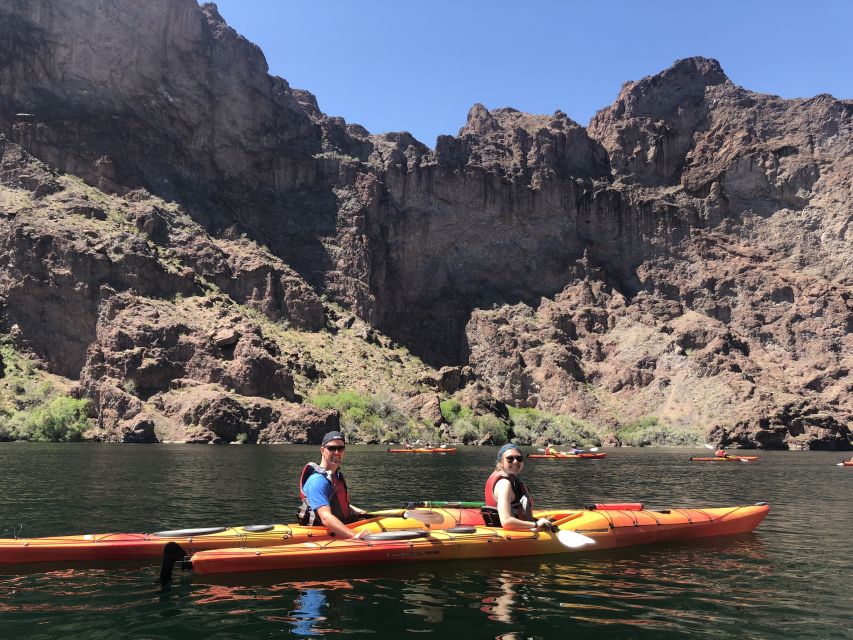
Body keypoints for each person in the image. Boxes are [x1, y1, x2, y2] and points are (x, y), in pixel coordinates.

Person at [297, 431, 367, 539]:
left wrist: (356, 511)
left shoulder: (336, 476)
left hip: (346, 524)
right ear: (322, 450)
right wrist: (353, 535)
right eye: (332, 448)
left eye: (340, 448)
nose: (337, 452)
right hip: (324, 535)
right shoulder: (317, 481)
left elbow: (335, 503)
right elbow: (326, 517)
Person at [484, 444, 552, 531]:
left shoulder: (510, 480)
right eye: (510, 459)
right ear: (501, 462)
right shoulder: (504, 484)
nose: (515, 461)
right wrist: (535, 524)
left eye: (519, 458)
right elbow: (506, 522)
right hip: (509, 535)